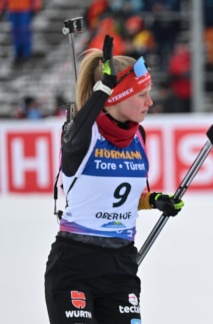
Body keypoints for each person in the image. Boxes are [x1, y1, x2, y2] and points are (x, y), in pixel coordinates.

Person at [44, 35, 184, 323]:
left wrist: (154, 200)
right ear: (117, 97)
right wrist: (102, 91)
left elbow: (119, 198)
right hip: (76, 263)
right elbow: (77, 130)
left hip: (120, 265)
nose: (150, 101)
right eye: (141, 94)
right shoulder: (82, 135)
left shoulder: (138, 137)